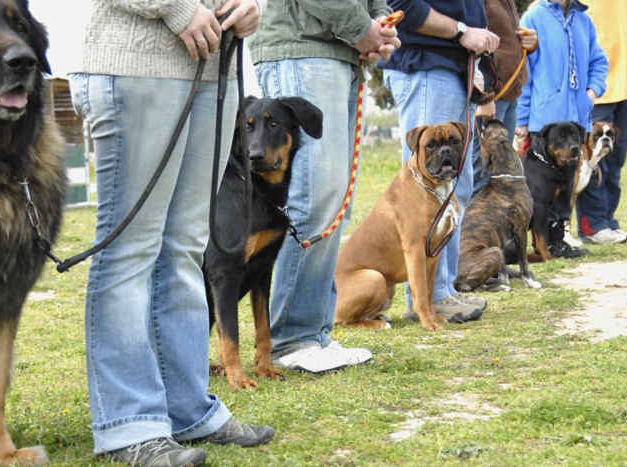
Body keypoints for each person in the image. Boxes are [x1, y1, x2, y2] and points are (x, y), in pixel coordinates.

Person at [69, 1, 274, 465]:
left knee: (184, 250)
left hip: (213, 74)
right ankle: (129, 424)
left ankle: (187, 408)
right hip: (139, 64)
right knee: (130, 251)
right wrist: (178, 8)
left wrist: (251, 7)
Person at [247, 1, 400, 374]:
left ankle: (312, 332)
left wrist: (379, 19)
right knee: (313, 197)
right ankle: (290, 337)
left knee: (332, 200)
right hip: (303, 47)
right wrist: (360, 27)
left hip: (339, 50)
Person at [378, 1, 499, 324]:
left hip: (453, 65)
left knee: (453, 190)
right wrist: (463, 31)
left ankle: (441, 290)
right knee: (424, 195)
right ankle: (429, 300)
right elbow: (402, 5)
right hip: (428, 64)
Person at [515, 0, 609, 258]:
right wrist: (522, 120)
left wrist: (591, 93)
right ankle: (536, 245)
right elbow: (524, 71)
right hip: (544, 126)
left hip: (577, 121)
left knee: (567, 188)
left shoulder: (584, 21)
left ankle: (558, 240)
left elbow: (599, 62)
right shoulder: (533, 16)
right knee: (542, 191)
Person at [575, 0, 627, 244]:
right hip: (596, 86)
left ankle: (608, 221)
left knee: (617, 157)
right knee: (595, 161)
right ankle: (592, 225)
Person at [471, 0, 538, 197]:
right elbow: (472, 44)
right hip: (492, 97)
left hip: (510, 95)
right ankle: (472, 228)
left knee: (499, 172)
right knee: (482, 173)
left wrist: (530, 42)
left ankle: (491, 227)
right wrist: (485, 96)